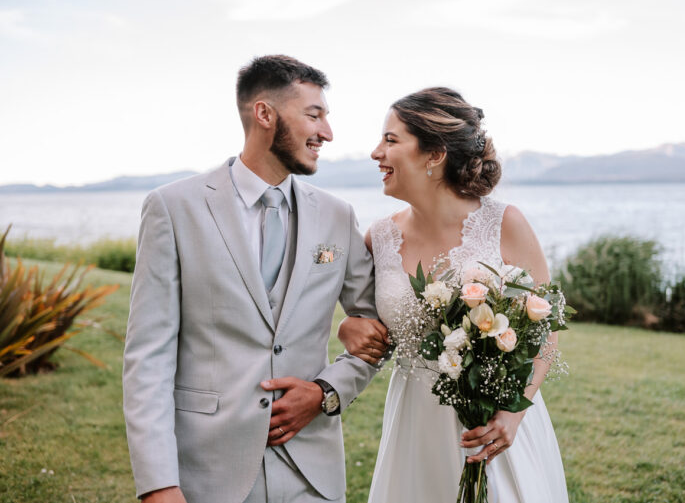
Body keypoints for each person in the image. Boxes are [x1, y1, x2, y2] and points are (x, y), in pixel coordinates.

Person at [123, 55, 383, 503]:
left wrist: (326, 391)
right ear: (264, 114)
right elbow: (148, 356)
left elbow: (380, 323)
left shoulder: (337, 216)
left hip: (312, 475)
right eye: (314, 115)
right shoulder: (173, 207)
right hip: (208, 472)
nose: (327, 133)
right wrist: (159, 484)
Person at [338, 87, 569, 502]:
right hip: (415, 426)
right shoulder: (380, 238)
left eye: (391, 140)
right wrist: (349, 328)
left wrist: (515, 413)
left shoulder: (505, 222)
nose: (376, 152)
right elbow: (365, 321)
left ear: (434, 154)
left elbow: (546, 327)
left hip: (496, 428)